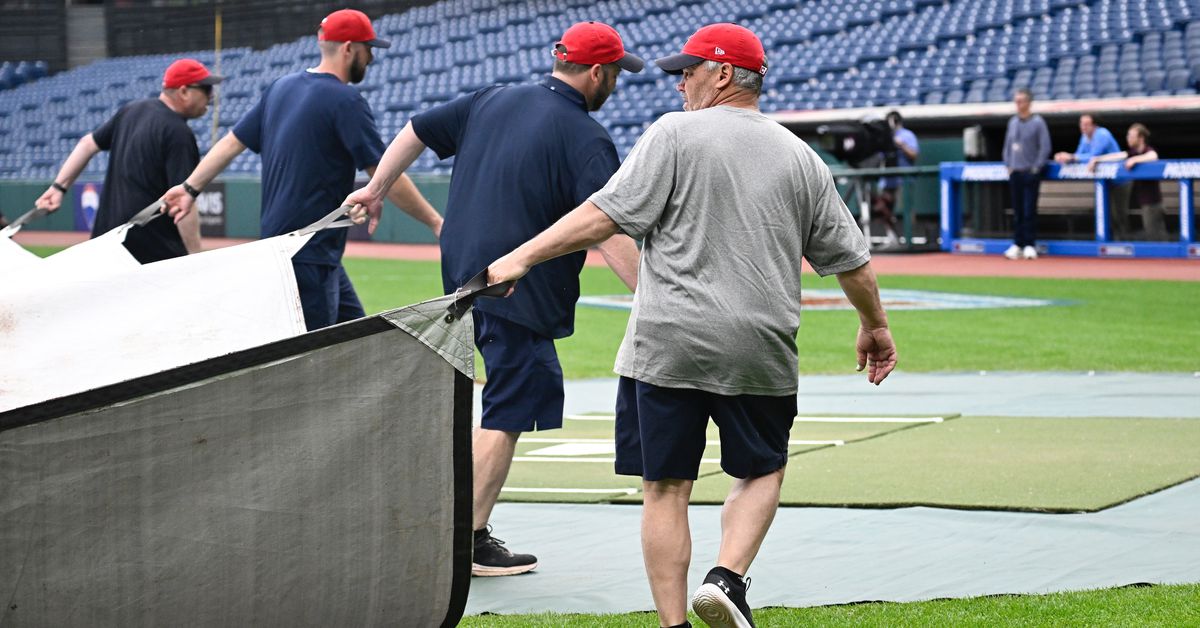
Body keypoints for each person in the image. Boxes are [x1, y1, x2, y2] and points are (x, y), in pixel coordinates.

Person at [485, 23, 897, 628]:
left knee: (665, 488)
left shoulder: (674, 134)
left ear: (724, 73)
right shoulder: (801, 156)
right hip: (758, 344)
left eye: (690, 70)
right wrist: (876, 327)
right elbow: (852, 262)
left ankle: (673, 624)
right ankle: (727, 578)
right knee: (762, 469)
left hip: (667, 342)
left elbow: (603, 216)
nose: (680, 82)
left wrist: (520, 256)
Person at [344, 21, 643, 577]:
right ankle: (468, 540)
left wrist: (376, 186)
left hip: (461, 278)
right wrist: (651, 298)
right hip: (514, 289)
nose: (615, 87)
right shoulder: (586, 136)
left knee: (496, 402)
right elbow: (609, 226)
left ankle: (458, 529)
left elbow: (414, 129)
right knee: (507, 409)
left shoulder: (492, 97)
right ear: (597, 73)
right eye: (615, 76)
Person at [161, 9, 441, 331]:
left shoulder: (281, 87)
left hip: (287, 251)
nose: (371, 58)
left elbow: (230, 143)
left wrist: (190, 189)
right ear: (349, 48)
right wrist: (435, 222)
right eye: (368, 49)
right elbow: (385, 175)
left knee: (354, 338)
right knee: (312, 361)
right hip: (308, 257)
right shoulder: (345, 100)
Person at [33, 58, 220, 263]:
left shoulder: (132, 110)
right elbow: (184, 202)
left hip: (107, 244)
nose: (210, 97)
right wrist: (196, 257)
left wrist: (59, 188)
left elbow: (87, 144)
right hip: (152, 251)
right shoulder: (178, 132)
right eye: (206, 89)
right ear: (184, 91)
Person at [1087, 123, 1168, 241]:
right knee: (1151, 235)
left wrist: (1134, 160)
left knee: (1156, 235)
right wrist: (1097, 159)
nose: (1128, 138)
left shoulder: (1147, 150)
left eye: (1131, 136)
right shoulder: (1132, 152)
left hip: (1153, 202)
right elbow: (1118, 155)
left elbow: (1153, 156)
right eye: (1128, 136)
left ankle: (1168, 258)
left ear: (1141, 138)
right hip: (1144, 202)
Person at [1002, 88, 1051, 260]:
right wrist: (1008, 164)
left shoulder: (1038, 122)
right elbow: (1007, 145)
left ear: (1029, 102)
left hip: (1030, 172)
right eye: (1016, 101)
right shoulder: (1012, 122)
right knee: (1017, 211)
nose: (1018, 104)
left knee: (1029, 210)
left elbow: (1045, 146)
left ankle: (1030, 244)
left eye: (1021, 101)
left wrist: (1036, 168)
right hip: (1015, 172)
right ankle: (1017, 243)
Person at [872, 110, 919, 245]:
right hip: (886, 180)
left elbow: (914, 155)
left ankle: (910, 239)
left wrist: (901, 144)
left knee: (906, 209)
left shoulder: (907, 135)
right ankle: (892, 238)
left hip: (903, 180)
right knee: (884, 210)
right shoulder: (884, 137)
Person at [1053, 113, 1120, 166]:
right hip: (1101, 172)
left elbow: (1094, 156)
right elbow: (1079, 154)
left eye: (1086, 124)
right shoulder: (1084, 136)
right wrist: (1064, 157)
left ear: (1094, 125)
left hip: (1117, 170)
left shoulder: (1102, 134)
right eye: (1081, 124)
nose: (1083, 127)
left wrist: (1071, 157)